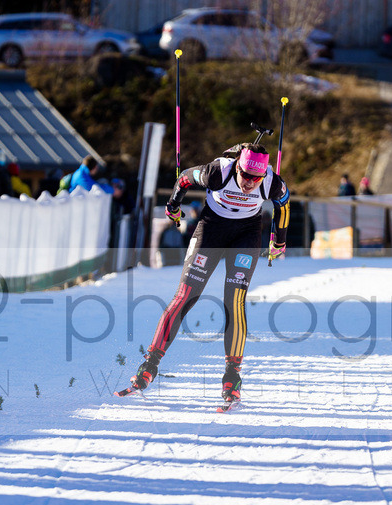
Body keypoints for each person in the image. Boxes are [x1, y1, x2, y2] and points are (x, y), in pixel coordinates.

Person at [121, 142, 291, 406]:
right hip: (211, 229)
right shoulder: (217, 172)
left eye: (255, 179)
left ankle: (232, 376)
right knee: (185, 295)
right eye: (245, 175)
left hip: (245, 235)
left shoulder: (272, 182)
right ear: (237, 166)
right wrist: (173, 206)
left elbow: (283, 204)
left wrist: (278, 240)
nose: (249, 183)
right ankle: (149, 364)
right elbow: (184, 178)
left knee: (234, 301)